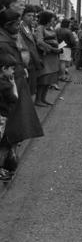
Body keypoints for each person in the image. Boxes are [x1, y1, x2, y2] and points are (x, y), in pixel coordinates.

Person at [0, 9, 43, 178]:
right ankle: (4, 165)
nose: (19, 27)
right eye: (16, 24)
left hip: (16, 85)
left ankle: (8, 163)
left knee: (13, 130)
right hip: (10, 89)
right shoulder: (3, 41)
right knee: (10, 130)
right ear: (7, 25)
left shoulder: (7, 38)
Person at [35, 11, 62, 106]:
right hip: (46, 56)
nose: (54, 21)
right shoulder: (40, 28)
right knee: (44, 78)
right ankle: (38, 100)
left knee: (49, 79)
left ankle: (43, 98)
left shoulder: (51, 28)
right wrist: (52, 49)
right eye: (52, 18)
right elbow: (39, 42)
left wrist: (59, 47)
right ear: (47, 18)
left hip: (53, 57)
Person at [0, 53, 18, 181]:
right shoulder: (6, 85)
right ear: (4, 69)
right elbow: (14, 98)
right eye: (11, 68)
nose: (13, 71)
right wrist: (14, 84)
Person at [19, 5, 42, 96]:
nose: (32, 18)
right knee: (26, 90)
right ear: (22, 15)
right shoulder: (20, 27)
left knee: (32, 88)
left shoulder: (28, 27)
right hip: (26, 61)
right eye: (29, 15)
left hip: (32, 60)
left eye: (33, 16)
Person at [56, 18, 77, 83]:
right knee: (63, 63)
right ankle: (63, 76)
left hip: (59, 46)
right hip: (66, 47)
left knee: (60, 62)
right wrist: (74, 46)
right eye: (69, 23)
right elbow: (72, 41)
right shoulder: (68, 31)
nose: (70, 24)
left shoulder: (57, 30)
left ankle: (60, 75)